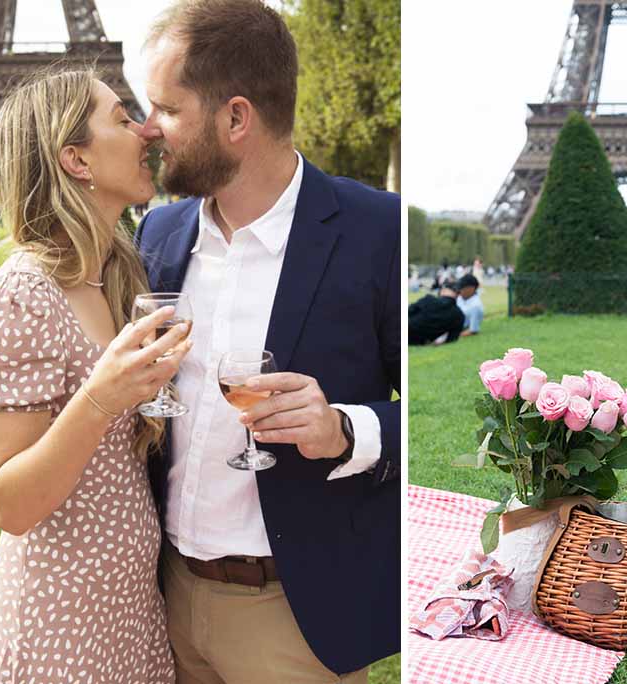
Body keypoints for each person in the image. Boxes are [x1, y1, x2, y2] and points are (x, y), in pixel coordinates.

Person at [135, 2, 399, 681]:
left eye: (165, 108)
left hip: (293, 618)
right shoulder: (158, 236)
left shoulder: (377, 233)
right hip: (164, 597)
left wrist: (345, 428)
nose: (147, 127)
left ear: (235, 118)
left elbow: (436, 408)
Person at [0, 70, 192, 682]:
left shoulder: (117, 276)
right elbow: (10, 504)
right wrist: (100, 399)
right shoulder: (23, 295)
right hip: (56, 631)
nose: (145, 130)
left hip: (131, 618)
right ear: (75, 158)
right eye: (120, 118)